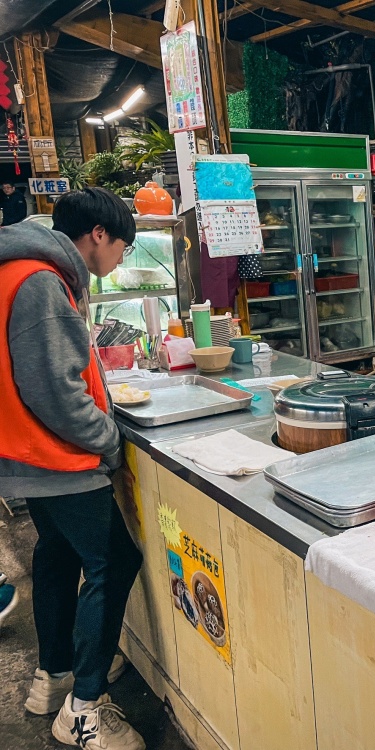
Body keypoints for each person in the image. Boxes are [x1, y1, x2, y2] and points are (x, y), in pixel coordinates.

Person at [0, 187, 145, 750]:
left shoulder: (18, 271)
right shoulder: (41, 282)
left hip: (26, 456)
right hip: (57, 457)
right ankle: (84, 710)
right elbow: (54, 392)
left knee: (56, 554)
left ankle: (54, 673)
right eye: (123, 248)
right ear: (99, 235)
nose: (119, 262)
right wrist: (108, 440)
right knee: (115, 559)